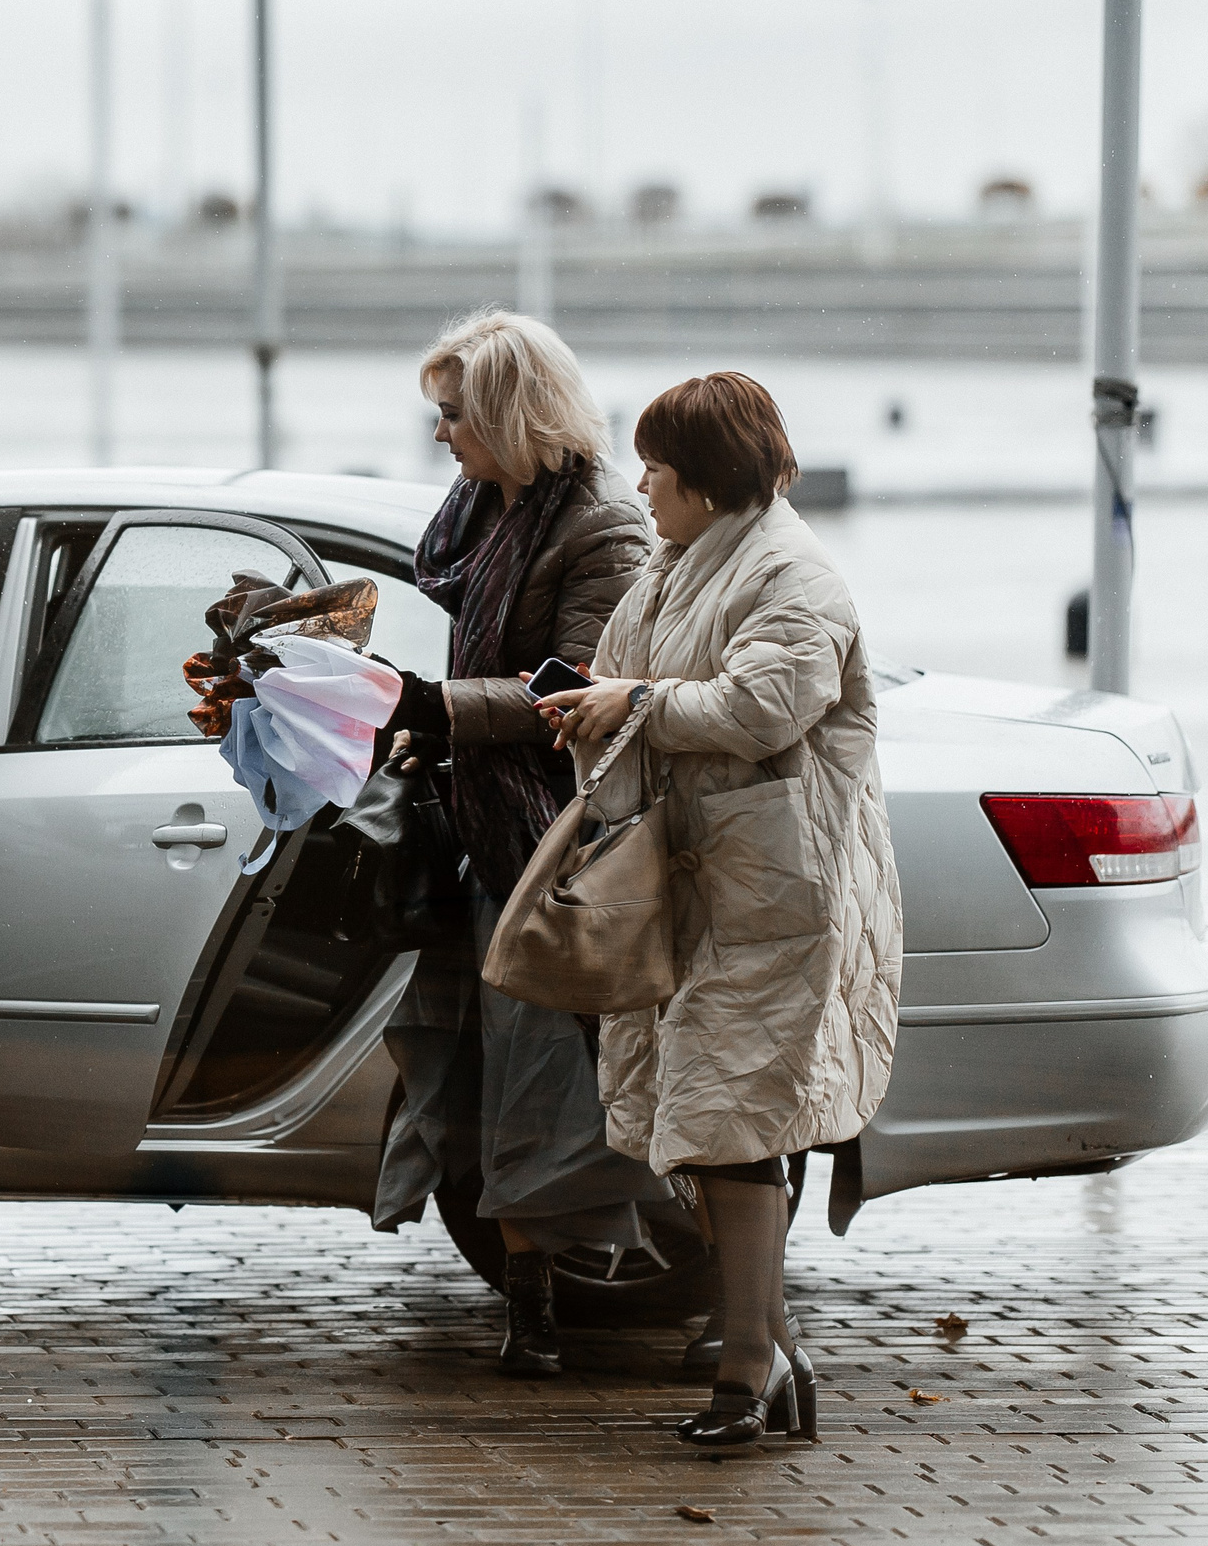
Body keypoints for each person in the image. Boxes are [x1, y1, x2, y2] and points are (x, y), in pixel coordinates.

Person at [538, 371, 902, 1446]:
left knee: (733, 1120)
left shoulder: (793, 574)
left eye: (656, 463)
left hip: (768, 892)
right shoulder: (679, 561)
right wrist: (592, 703)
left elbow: (762, 706)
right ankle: (768, 1350)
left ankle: (747, 1368)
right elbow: (623, 674)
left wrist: (633, 705)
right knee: (701, 1123)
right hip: (695, 883)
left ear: (706, 476)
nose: (639, 480)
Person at [371, 309, 675, 1377]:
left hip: (555, 846)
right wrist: (428, 727)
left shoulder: (599, 525)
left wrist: (437, 706)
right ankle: (531, 1303)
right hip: (482, 826)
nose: (442, 436)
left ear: (509, 413)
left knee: (539, 1080)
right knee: (481, 1072)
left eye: (455, 416)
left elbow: (579, 688)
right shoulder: (480, 513)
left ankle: (541, 1316)